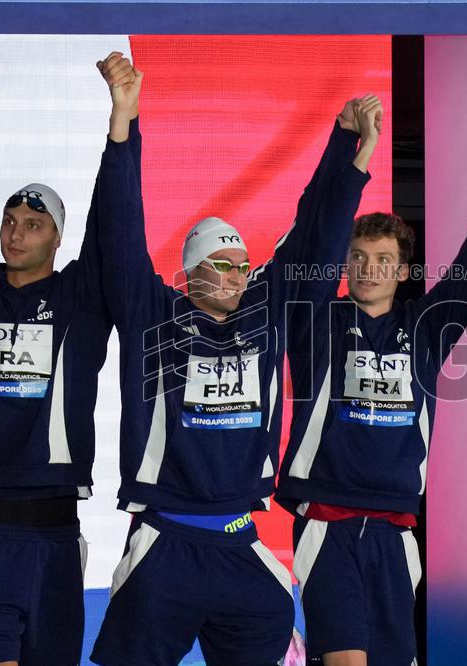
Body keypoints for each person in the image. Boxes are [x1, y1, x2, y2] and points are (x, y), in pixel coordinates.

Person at [87, 62, 383, 664]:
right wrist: (124, 126)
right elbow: (119, 230)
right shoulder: (155, 316)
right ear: (191, 271)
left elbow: (314, 239)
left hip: (239, 542)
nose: (235, 274)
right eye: (220, 263)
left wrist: (346, 146)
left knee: (273, 623)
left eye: (242, 265)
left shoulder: (263, 319)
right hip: (164, 541)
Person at [276, 130, 467, 664]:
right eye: (358, 255)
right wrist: (356, 160)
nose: (369, 266)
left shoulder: (427, 326)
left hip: (398, 529)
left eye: (384, 257)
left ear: (403, 272)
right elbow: (319, 236)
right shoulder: (316, 320)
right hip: (327, 523)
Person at [0, 3, 135, 663]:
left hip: (57, 542)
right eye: (10, 219)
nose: (15, 231)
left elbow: (115, 223)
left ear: (56, 238)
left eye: (33, 223)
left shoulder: (79, 301)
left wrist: (122, 121)